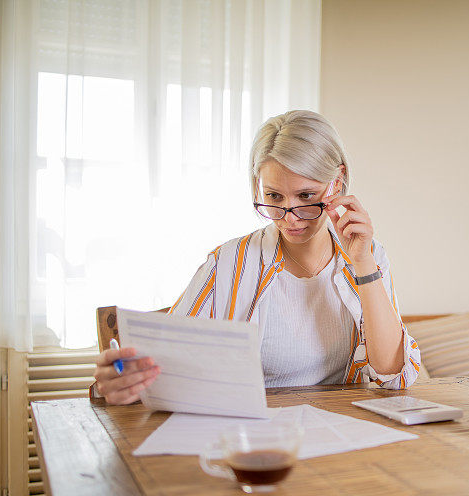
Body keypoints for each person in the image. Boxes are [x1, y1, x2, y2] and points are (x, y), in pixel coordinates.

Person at [93, 110, 422, 405]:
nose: (289, 217)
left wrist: (363, 264)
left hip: (344, 435)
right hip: (256, 437)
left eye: (306, 196)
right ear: (256, 187)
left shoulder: (370, 255)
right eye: (273, 197)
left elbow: (394, 376)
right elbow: (164, 370)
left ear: (336, 183)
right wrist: (119, 383)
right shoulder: (229, 263)